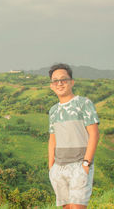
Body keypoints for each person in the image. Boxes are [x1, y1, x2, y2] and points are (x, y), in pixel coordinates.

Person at [48, 63, 99, 208]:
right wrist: (51, 167)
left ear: (72, 82)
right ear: (51, 85)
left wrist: (86, 165)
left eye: (64, 79)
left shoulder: (84, 104)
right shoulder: (53, 111)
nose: (60, 83)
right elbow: (52, 139)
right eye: (55, 80)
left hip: (79, 165)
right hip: (59, 168)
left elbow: (94, 134)